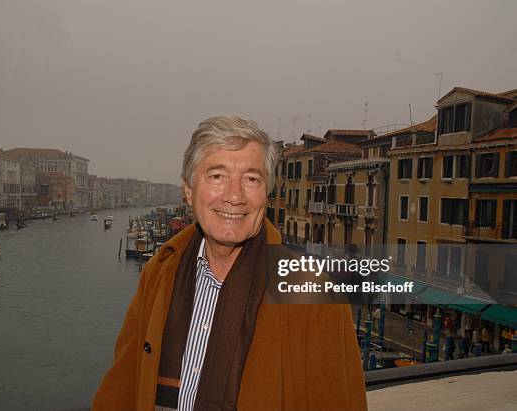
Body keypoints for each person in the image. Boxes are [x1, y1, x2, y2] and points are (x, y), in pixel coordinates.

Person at [92, 116, 367, 410]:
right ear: (188, 190)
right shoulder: (159, 271)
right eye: (217, 176)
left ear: (266, 192)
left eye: (251, 179)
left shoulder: (309, 286)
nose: (235, 197)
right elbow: (123, 384)